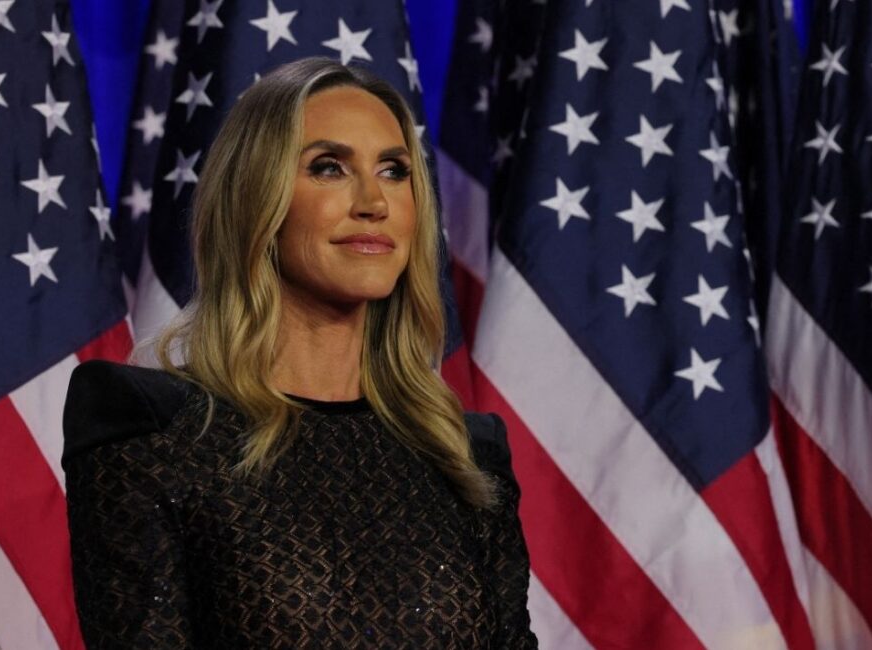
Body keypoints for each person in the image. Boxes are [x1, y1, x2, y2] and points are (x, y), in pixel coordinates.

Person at [62, 57, 536, 648]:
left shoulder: (465, 454)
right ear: (257, 201)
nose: (374, 202)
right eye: (329, 167)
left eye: (394, 171)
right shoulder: (150, 428)